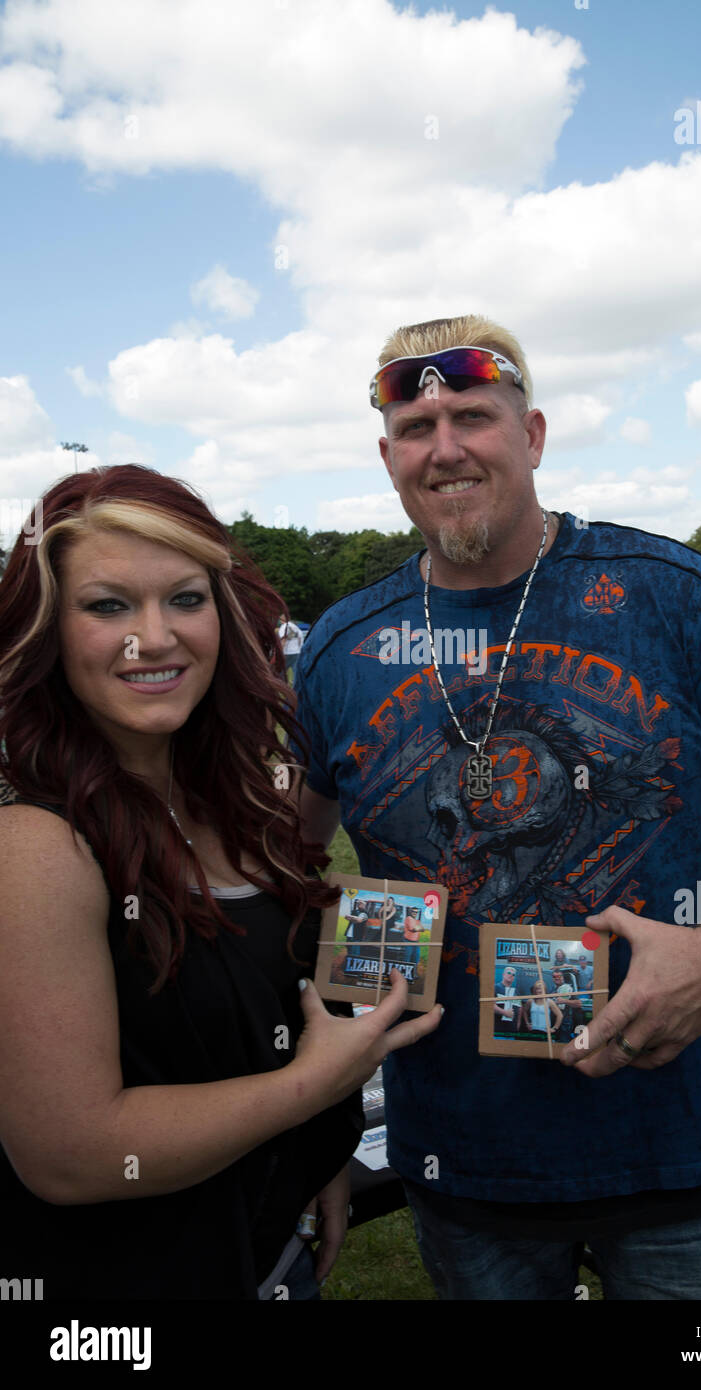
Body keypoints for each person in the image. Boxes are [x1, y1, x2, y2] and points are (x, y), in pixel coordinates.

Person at [294, 314, 701, 1301]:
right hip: (464, 1169)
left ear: (532, 435)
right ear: (387, 458)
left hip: (690, 1150)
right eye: (415, 427)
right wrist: (310, 1112)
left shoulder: (671, 593)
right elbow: (287, 868)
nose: (444, 447)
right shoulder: (342, 647)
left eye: (472, 416)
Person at [0, 464, 441, 1301]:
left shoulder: (235, 799)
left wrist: (318, 1151)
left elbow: (272, 992)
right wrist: (313, 1087)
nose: (154, 637)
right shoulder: (35, 846)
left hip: (274, 1256)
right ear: (47, 630)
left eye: (185, 599)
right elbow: (70, 1154)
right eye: (108, 606)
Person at [277, 609, 304, 684]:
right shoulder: (296, 627)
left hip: (287, 652)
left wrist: (280, 650)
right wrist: (299, 649)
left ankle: (281, 684)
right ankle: (296, 684)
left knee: (282, 669)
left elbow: (283, 639)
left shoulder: (284, 627)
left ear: (281, 620)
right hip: (297, 651)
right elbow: (300, 639)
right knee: (295, 670)